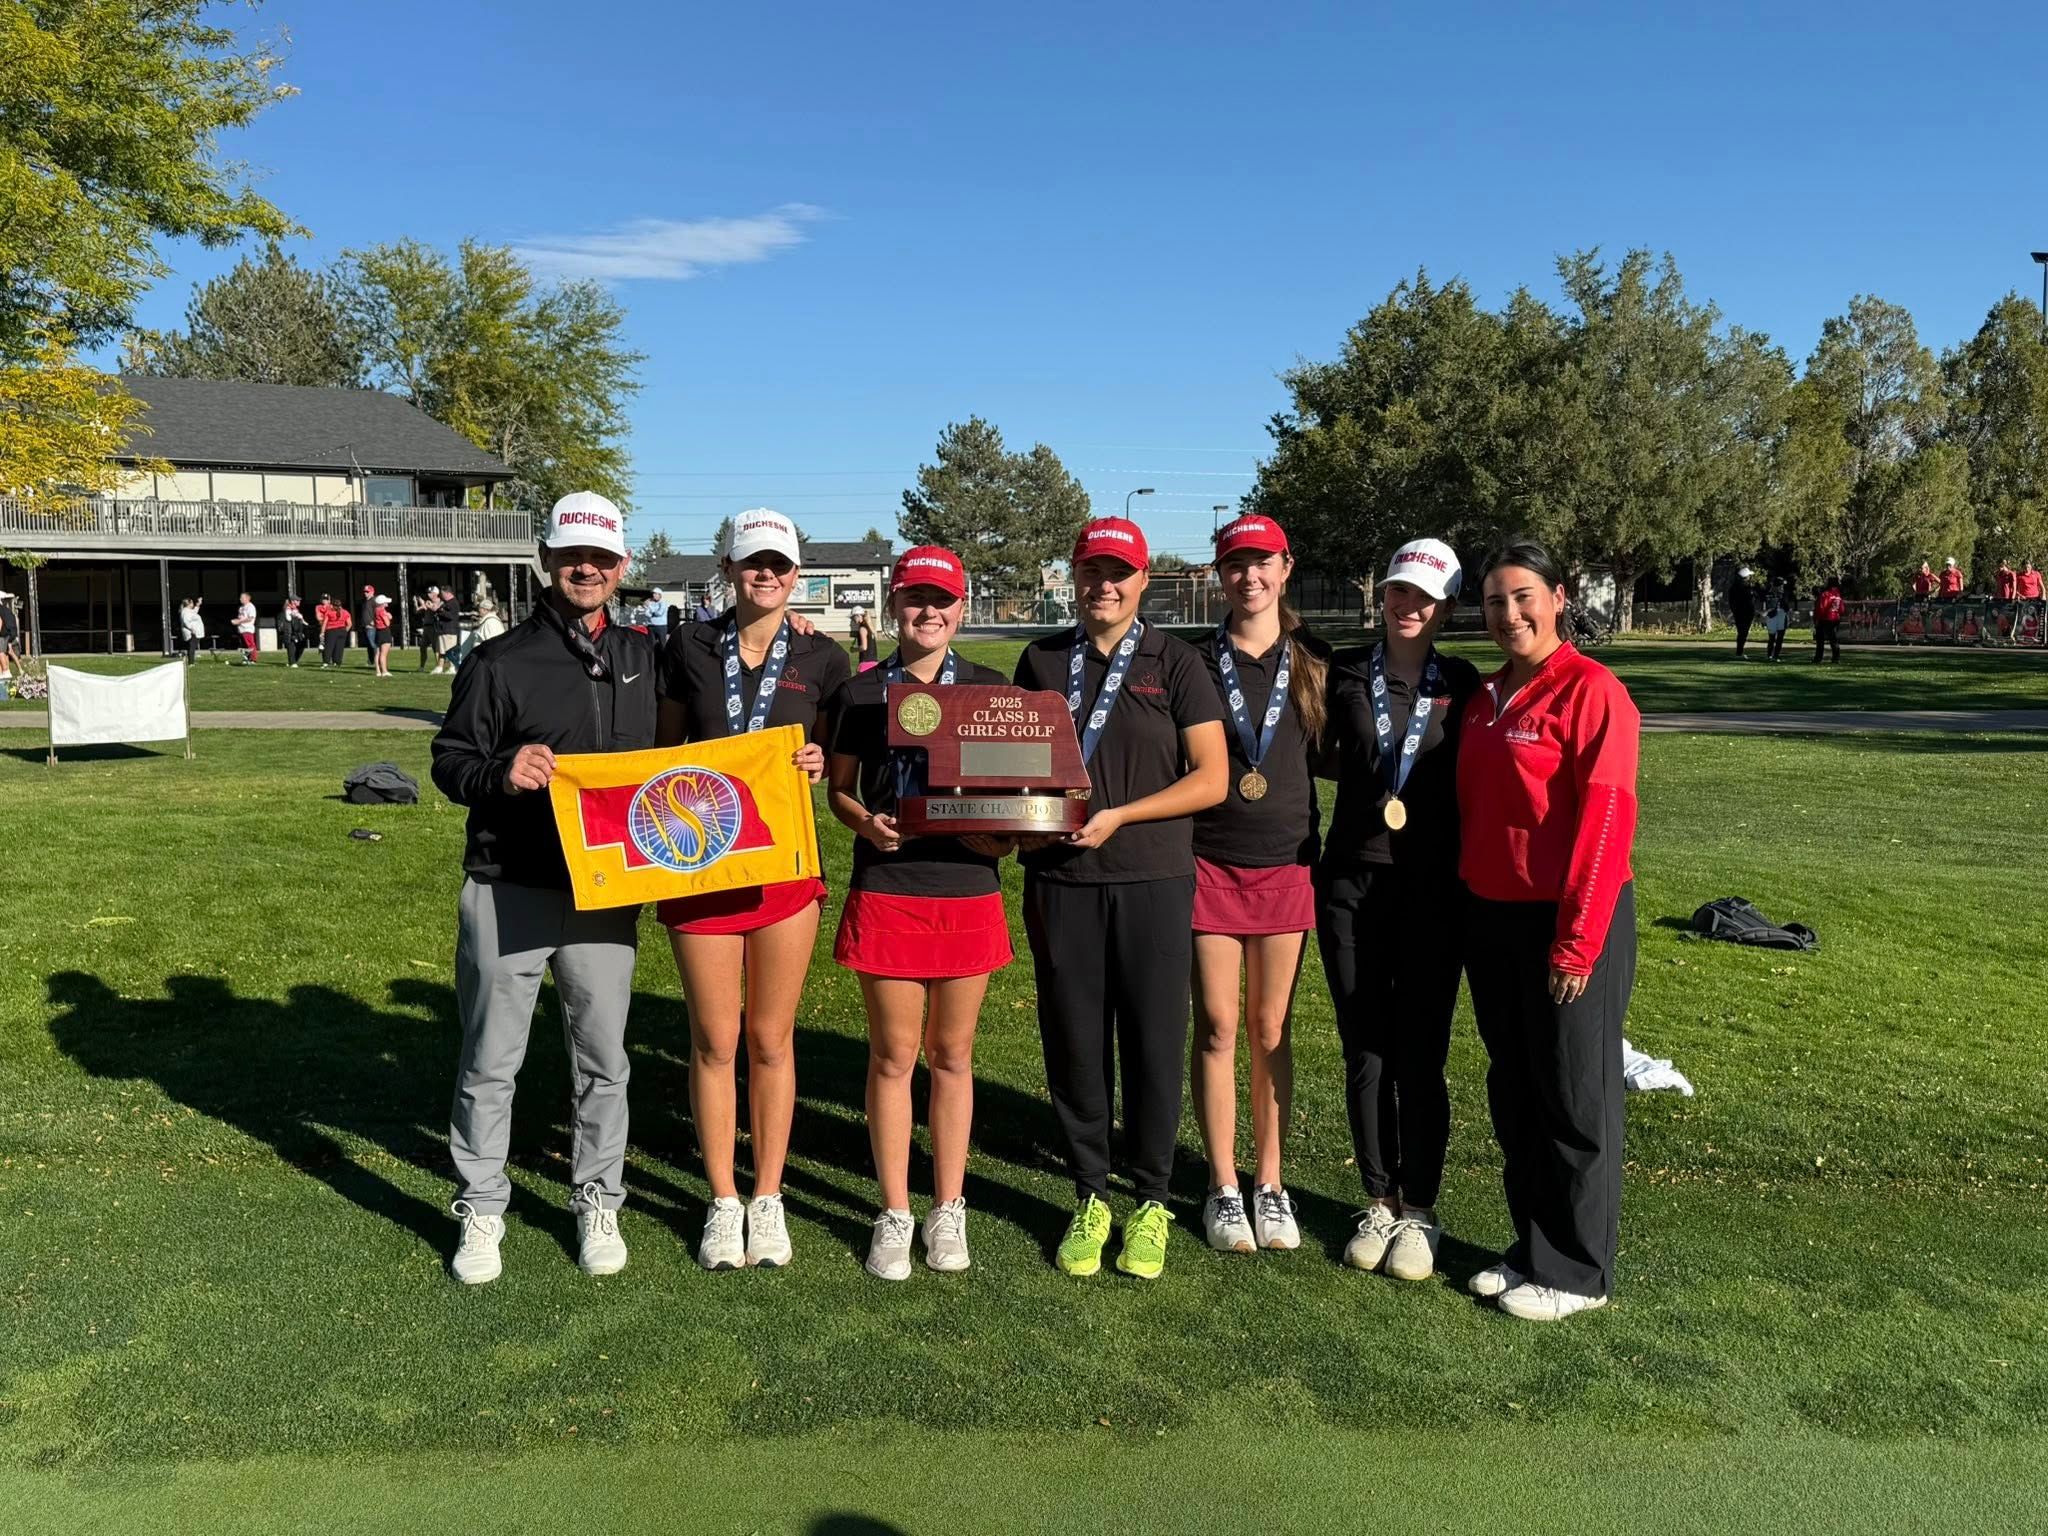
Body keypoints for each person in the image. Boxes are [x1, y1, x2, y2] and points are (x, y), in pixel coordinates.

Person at [430, 491, 657, 1285]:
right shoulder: (499, 661)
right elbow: (449, 760)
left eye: (599, 558)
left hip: (605, 896)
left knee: (603, 1061)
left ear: (622, 567)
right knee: (492, 1062)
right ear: (547, 561)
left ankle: (599, 1199)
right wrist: (502, 771)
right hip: (510, 883)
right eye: (570, 557)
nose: (585, 569)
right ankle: (481, 1209)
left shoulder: (643, 656)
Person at [1013, 516, 1228, 1281]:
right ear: (1073, 576)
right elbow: (1010, 768)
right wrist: (1017, 823)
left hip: (1151, 878)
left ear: (1143, 581)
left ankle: (1153, 1200)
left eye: (1119, 573)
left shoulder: (1176, 662)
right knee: (1073, 1041)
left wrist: (1122, 816)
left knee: (1152, 1040)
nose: (1104, 585)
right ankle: (1089, 1194)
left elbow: (1211, 777)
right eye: (1091, 571)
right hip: (1061, 882)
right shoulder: (1040, 660)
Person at [656, 507, 849, 1272]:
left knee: (770, 1039)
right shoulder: (685, 648)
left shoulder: (824, 657)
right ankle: (721, 1200)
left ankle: (767, 1198)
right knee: (714, 1040)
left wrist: (818, 760)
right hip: (701, 870)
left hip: (783, 870)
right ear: (729, 570)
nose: (766, 575)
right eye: (752, 563)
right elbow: (662, 750)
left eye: (779, 565)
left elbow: (841, 760)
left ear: (796, 575)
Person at [1458, 538, 1641, 1322]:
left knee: (1575, 1096)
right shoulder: (1485, 696)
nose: (1510, 614)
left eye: (1524, 597)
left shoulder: (1592, 691)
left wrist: (1577, 941)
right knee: (1517, 1092)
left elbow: (1605, 821)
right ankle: (1532, 1246)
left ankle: (1578, 1273)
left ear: (1559, 597)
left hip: (1570, 919)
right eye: (1496, 601)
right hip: (1492, 916)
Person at [826, 545, 1014, 1280]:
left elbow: (1018, 800)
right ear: (894, 605)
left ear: (961, 608)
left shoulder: (994, 690)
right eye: (915, 600)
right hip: (889, 886)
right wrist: (865, 824)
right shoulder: (861, 691)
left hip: (968, 887)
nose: (928, 612)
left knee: (954, 1056)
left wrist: (1000, 831)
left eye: (942, 600)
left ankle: (949, 1209)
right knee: (893, 1056)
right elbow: (839, 791)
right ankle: (895, 1211)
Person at [1315, 537, 1480, 1283]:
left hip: (1431, 888)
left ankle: (1420, 1211)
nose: (1406, 606)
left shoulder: (1464, 682)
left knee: (1421, 1053)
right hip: (1350, 881)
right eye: (1396, 592)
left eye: (1422, 596)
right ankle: (1378, 1198)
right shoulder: (1346, 670)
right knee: (1365, 1048)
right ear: (1381, 596)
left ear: (1443, 605)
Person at [1185, 514, 1328, 1256]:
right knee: (1216, 1025)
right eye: (1236, 564)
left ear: (1285, 566)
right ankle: (1222, 1186)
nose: (1250, 577)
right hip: (1207, 861)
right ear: (1220, 574)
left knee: (1271, 1029)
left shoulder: (1316, 660)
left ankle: (1270, 1183)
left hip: (1287, 862)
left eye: (1262, 563)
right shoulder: (1191, 662)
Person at [1727, 566, 1757, 659]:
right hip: (1745, 613)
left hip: (1740, 613)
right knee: (1743, 633)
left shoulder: (1734, 588)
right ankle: (1739, 652)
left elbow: (1731, 602)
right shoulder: (1746, 589)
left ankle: (1739, 651)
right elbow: (1748, 601)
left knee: (1742, 633)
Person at [1813, 578, 1844, 663]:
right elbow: (1841, 609)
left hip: (1825, 619)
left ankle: (1818, 658)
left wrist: (1817, 619)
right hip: (1835, 619)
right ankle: (1836, 658)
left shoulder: (1825, 594)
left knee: (1820, 640)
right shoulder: (1838, 595)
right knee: (1833, 639)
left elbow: (1821, 608)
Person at [318, 593, 350, 668]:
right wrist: (345, 631)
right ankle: (337, 662)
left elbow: (324, 624)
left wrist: (322, 633)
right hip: (342, 631)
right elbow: (349, 624)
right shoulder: (345, 612)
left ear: (334, 606)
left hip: (331, 631)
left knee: (329, 647)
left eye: (331, 605)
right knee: (339, 648)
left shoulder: (329, 612)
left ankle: (326, 662)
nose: (330, 606)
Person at [1762, 582, 1790, 662]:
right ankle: (1769, 655)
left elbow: (1786, 607)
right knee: (1772, 637)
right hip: (1772, 617)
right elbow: (1767, 606)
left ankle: (1776, 655)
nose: (1781, 587)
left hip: (1782, 616)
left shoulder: (1784, 594)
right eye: (1780, 585)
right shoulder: (1769, 594)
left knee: (1780, 638)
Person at [415, 588, 441, 671]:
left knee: (435, 648)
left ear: (436, 593)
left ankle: (439, 667)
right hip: (426, 627)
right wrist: (417, 602)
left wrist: (427, 604)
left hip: (433, 627)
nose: (428, 594)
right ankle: (422, 667)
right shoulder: (427, 601)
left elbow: (435, 609)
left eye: (430, 593)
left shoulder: (439, 602)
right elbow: (417, 611)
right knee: (422, 647)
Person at [372, 594, 395, 677]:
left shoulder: (376, 610)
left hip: (378, 631)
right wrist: (388, 617)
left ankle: (378, 671)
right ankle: (384, 671)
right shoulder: (382, 611)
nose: (387, 604)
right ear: (382, 603)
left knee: (378, 653)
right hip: (384, 632)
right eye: (385, 602)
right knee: (383, 653)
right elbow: (387, 623)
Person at [233, 592, 259, 665]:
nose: (240, 599)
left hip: (247, 629)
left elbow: (250, 618)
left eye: (242, 598)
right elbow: (241, 617)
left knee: (250, 645)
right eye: (240, 598)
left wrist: (239, 621)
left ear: (247, 598)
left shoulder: (250, 607)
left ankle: (253, 659)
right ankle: (246, 659)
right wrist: (236, 621)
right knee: (244, 645)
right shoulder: (241, 608)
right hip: (241, 629)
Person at [357, 585, 378, 668]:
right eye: (364, 591)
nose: (365, 593)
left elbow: (377, 612)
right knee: (369, 645)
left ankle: (377, 661)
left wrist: (373, 622)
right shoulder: (364, 601)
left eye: (367, 592)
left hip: (371, 627)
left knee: (373, 644)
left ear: (372, 592)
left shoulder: (374, 601)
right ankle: (370, 661)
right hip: (365, 626)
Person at [179, 597, 205, 663]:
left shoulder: (188, 611)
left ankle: (191, 661)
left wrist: (198, 604)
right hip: (191, 632)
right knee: (192, 647)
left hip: (193, 631)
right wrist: (191, 629)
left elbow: (194, 612)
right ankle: (191, 662)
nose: (193, 604)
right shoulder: (185, 611)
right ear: (189, 604)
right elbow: (186, 621)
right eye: (192, 602)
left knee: (192, 647)